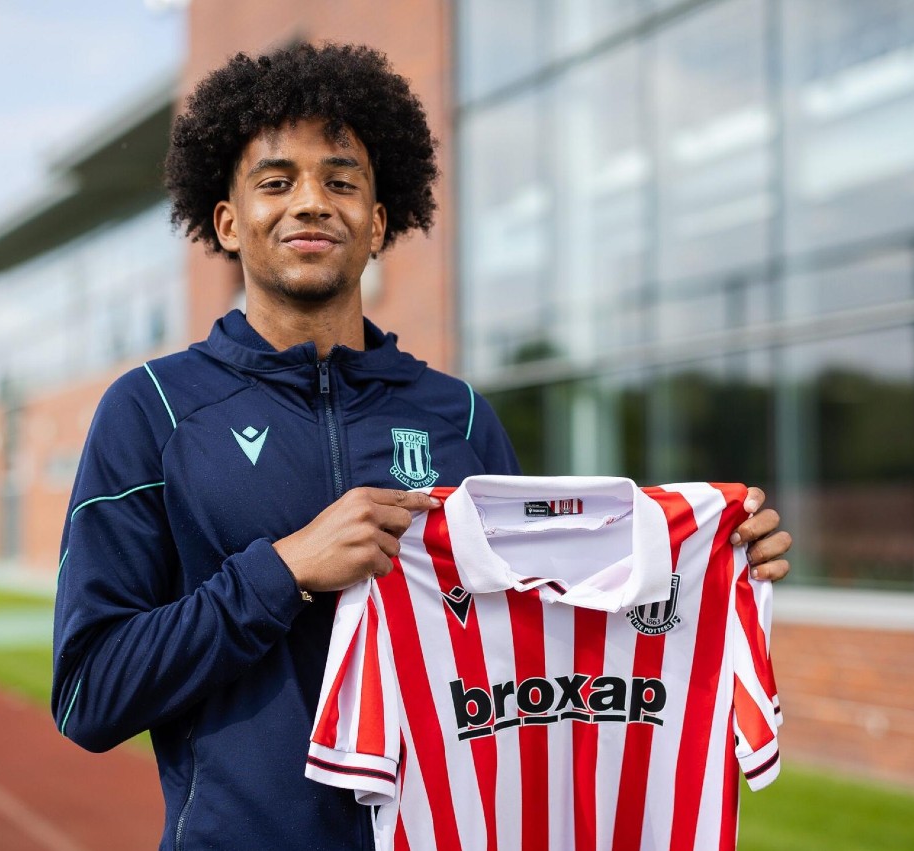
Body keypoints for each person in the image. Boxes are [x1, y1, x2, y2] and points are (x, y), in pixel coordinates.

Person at [51, 42, 792, 850]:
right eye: (276, 181)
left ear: (379, 220)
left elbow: (547, 633)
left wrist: (713, 565)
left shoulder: (461, 416)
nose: (311, 202)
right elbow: (91, 691)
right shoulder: (153, 410)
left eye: (341, 180)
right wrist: (283, 570)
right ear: (227, 221)